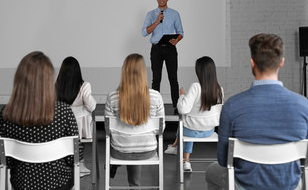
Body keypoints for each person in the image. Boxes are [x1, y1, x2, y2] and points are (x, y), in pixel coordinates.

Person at [206, 34, 308, 190]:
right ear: (281, 63)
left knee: (211, 171)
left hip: (244, 185)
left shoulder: (232, 106)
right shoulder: (304, 106)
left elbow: (223, 160)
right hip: (290, 185)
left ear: (252, 63)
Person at [0, 51, 81, 190]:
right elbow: (76, 156)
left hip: (23, 183)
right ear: (48, 81)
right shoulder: (64, 111)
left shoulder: (6, 114)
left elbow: (4, 159)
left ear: (19, 79)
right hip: (59, 183)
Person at [105, 53, 165, 187]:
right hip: (147, 151)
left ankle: (118, 171)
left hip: (120, 151)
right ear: (143, 72)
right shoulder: (155, 96)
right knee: (137, 141)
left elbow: (107, 129)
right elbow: (161, 129)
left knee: (125, 142)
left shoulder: (112, 97)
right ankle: (134, 185)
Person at [164, 56, 223, 172]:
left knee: (185, 122)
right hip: (209, 130)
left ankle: (185, 160)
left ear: (199, 71)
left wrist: (182, 96)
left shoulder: (196, 86)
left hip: (191, 130)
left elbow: (182, 109)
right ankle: (175, 147)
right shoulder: (219, 89)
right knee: (190, 121)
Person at [142, 0, 184, 113]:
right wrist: (156, 22)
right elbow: (144, 32)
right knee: (156, 79)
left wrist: (177, 40)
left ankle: (176, 106)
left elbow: (181, 32)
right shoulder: (151, 14)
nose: (161, 0)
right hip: (156, 49)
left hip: (170, 48)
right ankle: (154, 106)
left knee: (173, 79)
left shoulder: (175, 14)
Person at [55, 56, 97, 178]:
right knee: (79, 138)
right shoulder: (84, 86)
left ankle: (65, 166)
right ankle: (80, 164)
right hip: (80, 129)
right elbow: (92, 106)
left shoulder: (56, 86)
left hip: (61, 128)